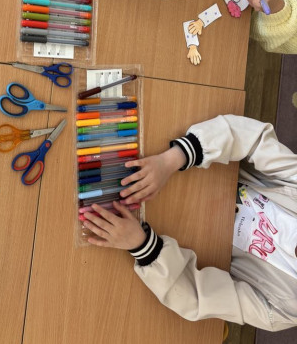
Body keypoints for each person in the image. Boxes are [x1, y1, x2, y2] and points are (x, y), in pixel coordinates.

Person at [83, 115, 297, 331]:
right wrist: (173, 159)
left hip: (172, 233)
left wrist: (141, 245)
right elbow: (252, 139)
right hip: (187, 164)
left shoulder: (285, 310)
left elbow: (198, 298)